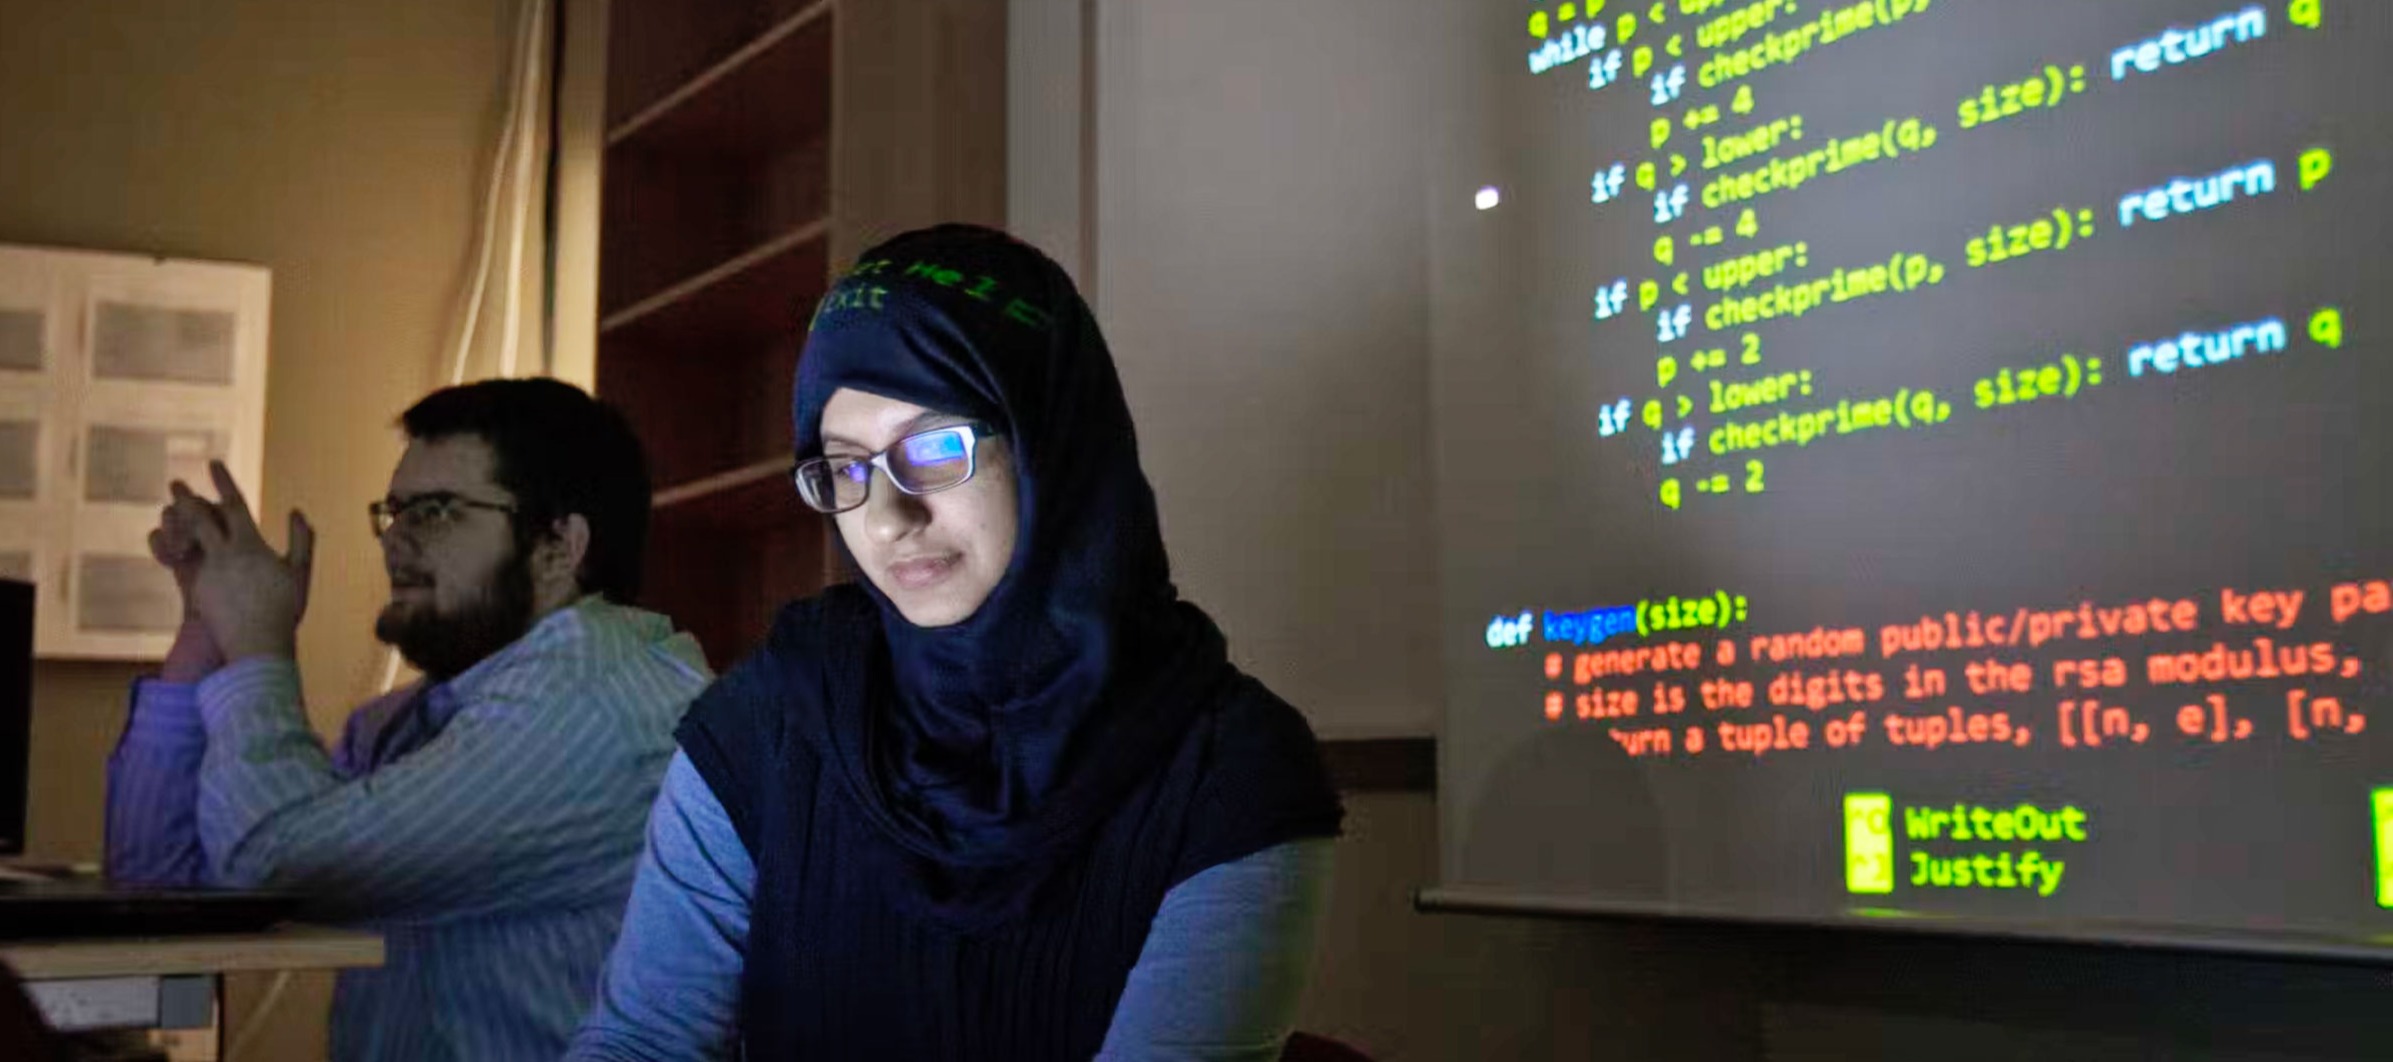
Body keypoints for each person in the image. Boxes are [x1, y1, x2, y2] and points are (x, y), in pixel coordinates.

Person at [567, 225, 1346, 1061]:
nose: (887, 518)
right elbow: (643, 1041)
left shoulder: (1229, 770)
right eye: (846, 468)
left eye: (935, 449)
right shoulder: (766, 723)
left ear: (1050, 445)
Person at [105, 378, 711, 1062]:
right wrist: (204, 629)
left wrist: (256, 643)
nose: (393, 541)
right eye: (394, 511)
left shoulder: (598, 701)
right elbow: (154, 889)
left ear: (557, 545)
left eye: (437, 511)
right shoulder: (409, 720)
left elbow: (272, 864)